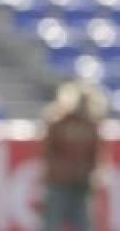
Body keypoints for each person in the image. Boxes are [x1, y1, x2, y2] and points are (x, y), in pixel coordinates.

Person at [41, 80, 106, 231]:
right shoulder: (59, 123)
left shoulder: (91, 126)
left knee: (84, 224)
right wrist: (58, 171)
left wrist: (93, 173)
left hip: (81, 184)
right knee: (52, 223)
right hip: (59, 183)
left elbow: (96, 154)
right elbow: (49, 152)